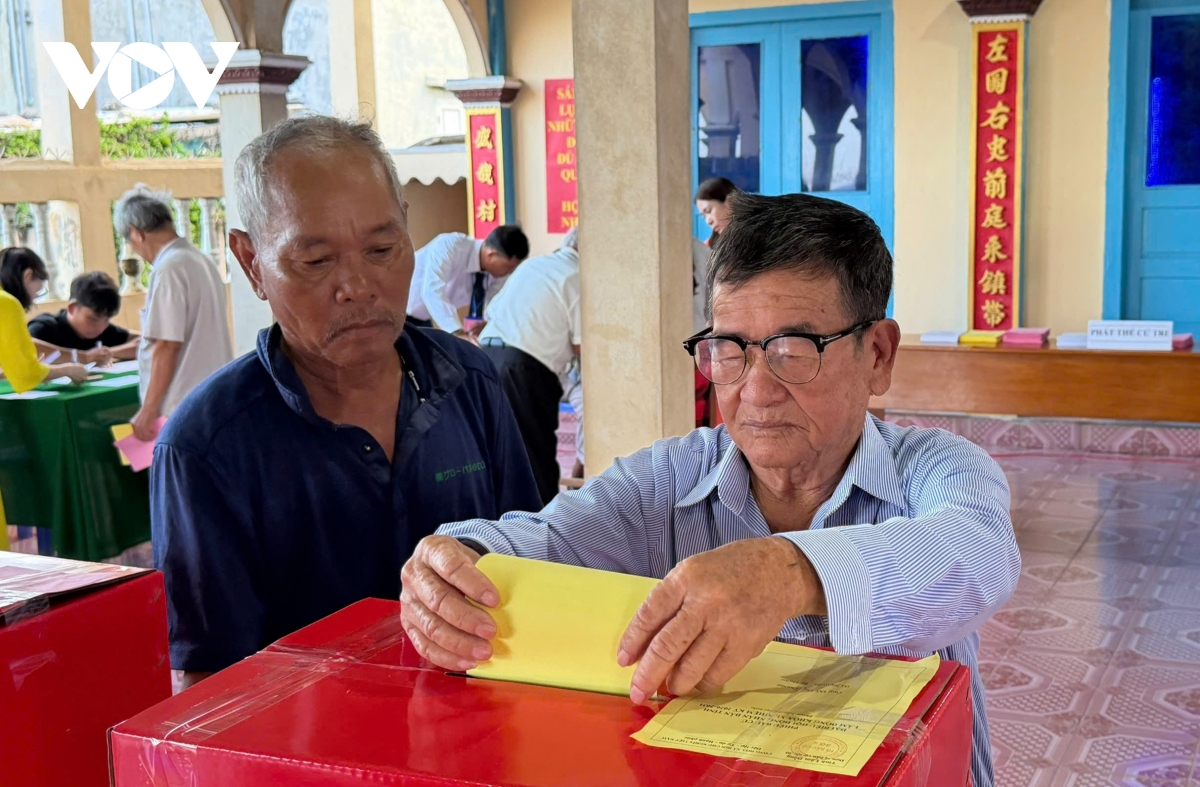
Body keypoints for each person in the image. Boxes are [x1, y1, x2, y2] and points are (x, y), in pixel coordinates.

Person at [401, 193, 1019, 787]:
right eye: (730, 350)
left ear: (877, 355)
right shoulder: (668, 483)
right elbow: (540, 539)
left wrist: (787, 573)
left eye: (793, 350)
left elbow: (977, 552)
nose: (756, 390)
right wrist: (456, 567)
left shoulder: (937, 469)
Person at [150, 115, 541, 690]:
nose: (358, 286)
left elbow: (531, 560)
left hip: (478, 723)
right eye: (316, 261)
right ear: (251, 262)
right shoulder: (205, 447)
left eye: (382, 248)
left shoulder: (469, 382)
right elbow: (208, 683)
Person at [114, 186, 233, 441]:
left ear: (136, 233)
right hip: (212, 399)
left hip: (182, 408)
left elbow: (167, 344)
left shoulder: (170, 267)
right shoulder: (200, 259)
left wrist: (148, 409)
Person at [478, 227, 581, 504]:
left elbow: (491, 312)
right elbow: (582, 347)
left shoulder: (533, 265)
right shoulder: (576, 276)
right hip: (522, 368)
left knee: (499, 452)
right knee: (534, 458)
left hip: (486, 358)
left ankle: (503, 523)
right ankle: (541, 526)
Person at [406, 225, 529, 339]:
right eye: (508, 267)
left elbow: (493, 304)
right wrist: (457, 332)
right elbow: (431, 292)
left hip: (424, 319)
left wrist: (486, 323)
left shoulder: (496, 275)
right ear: (491, 255)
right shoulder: (450, 246)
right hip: (400, 311)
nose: (510, 272)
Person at [0, 247, 89, 392]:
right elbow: (25, 374)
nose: (33, 298)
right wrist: (67, 370)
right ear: (28, 275)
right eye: (38, 291)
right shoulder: (7, 303)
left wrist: (40, 371)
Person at [27, 271, 140, 363]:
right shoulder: (44, 328)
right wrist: (84, 357)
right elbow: (25, 347)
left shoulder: (104, 330)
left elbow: (145, 341)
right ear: (72, 307)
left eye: (107, 320)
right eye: (93, 319)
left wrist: (108, 353)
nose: (100, 328)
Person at [694, 176, 737, 241]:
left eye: (708, 211)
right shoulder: (709, 244)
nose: (708, 222)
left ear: (730, 202)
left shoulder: (752, 236)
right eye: (704, 217)